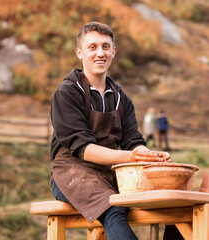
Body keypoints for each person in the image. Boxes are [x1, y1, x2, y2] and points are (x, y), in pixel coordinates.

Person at [49, 22, 182, 240]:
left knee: (173, 205)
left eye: (105, 46)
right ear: (79, 52)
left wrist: (148, 156)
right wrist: (131, 156)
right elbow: (84, 149)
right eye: (92, 47)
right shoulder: (67, 92)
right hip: (71, 174)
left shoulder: (120, 97)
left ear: (113, 52)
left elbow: (133, 141)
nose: (99, 53)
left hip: (112, 175)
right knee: (114, 209)